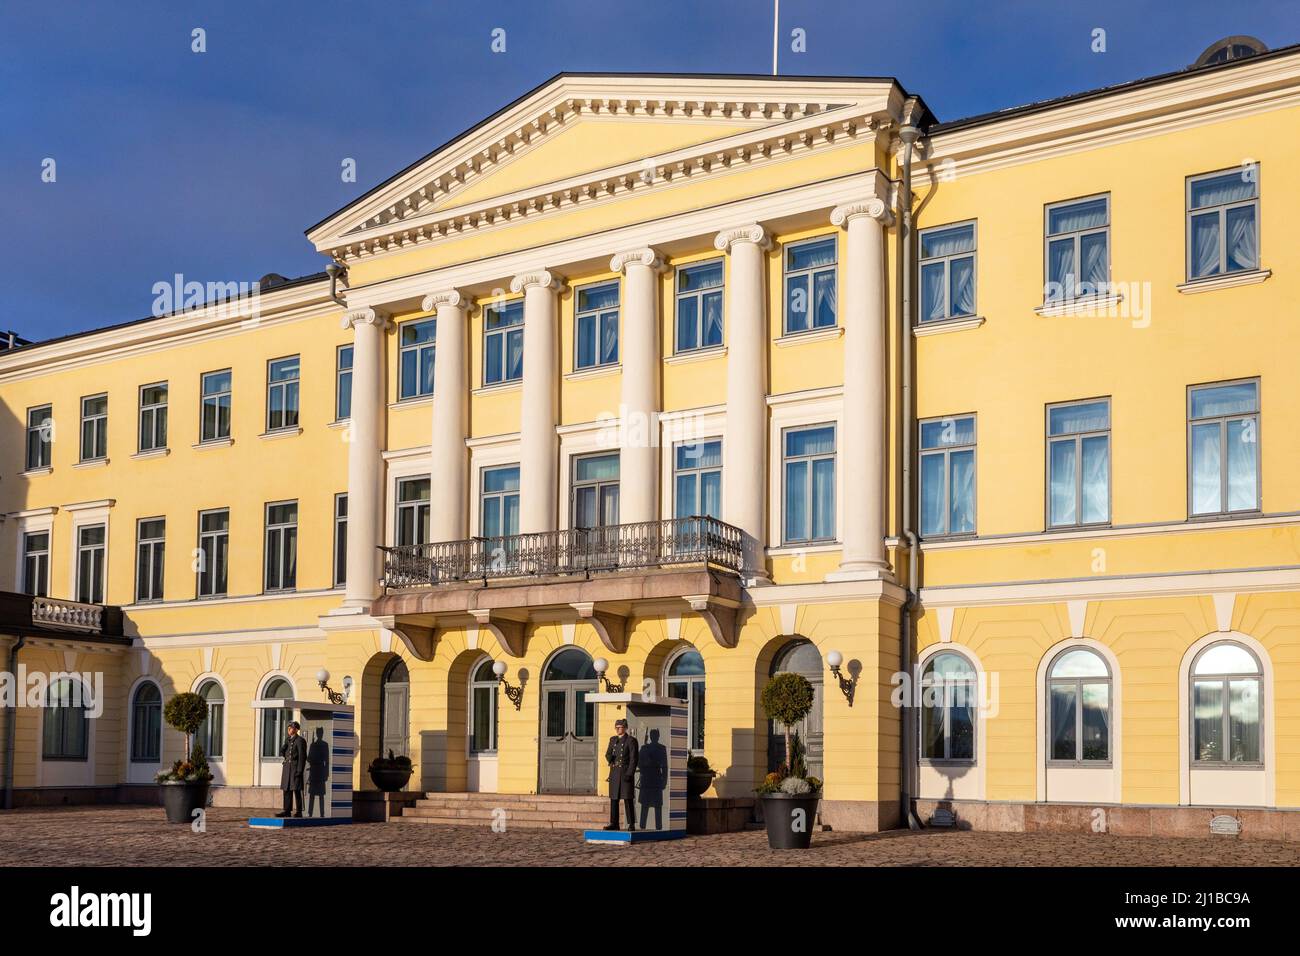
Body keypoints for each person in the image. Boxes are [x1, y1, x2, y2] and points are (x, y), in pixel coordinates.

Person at [603, 718, 638, 831]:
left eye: (620, 727)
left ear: (625, 728)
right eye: (616, 727)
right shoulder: (613, 740)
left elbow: (633, 759)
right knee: (614, 799)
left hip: (625, 772)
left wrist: (630, 773)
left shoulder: (631, 740)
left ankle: (631, 823)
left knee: (627, 799)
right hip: (614, 772)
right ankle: (614, 823)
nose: (617, 729)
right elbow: (608, 753)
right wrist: (610, 758)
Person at [276, 720, 307, 818]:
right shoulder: (288, 740)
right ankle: (287, 810)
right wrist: (284, 745)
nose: (289, 729)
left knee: (297, 790)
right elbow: (282, 753)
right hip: (287, 768)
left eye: (291, 728)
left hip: (295, 769)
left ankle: (299, 811)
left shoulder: (300, 740)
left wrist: (300, 770)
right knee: (286, 790)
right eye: (288, 728)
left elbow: (302, 756)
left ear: (296, 729)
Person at [306, 727, 330, 818]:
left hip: (319, 771)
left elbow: (327, 760)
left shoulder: (323, 745)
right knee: (313, 795)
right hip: (315, 771)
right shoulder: (314, 745)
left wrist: (326, 773)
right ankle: (311, 813)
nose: (320, 734)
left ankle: (321, 813)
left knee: (320, 795)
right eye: (319, 733)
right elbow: (309, 758)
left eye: (320, 733)